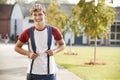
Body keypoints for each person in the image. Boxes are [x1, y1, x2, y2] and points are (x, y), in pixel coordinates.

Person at [14, 4, 66, 80]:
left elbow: (62, 45)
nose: (37, 17)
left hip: (50, 73)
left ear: (45, 15)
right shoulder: (27, 32)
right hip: (33, 73)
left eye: (40, 14)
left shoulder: (53, 30)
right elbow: (16, 47)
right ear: (32, 16)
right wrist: (29, 53)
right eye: (35, 15)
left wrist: (54, 51)